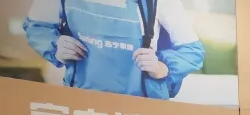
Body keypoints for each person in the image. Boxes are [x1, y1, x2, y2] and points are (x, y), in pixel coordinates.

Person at [23, 0, 204, 100]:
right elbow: (37, 27)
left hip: (142, 109)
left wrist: (160, 67)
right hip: (81, 104)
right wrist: (56, 45)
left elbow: (192, 51)